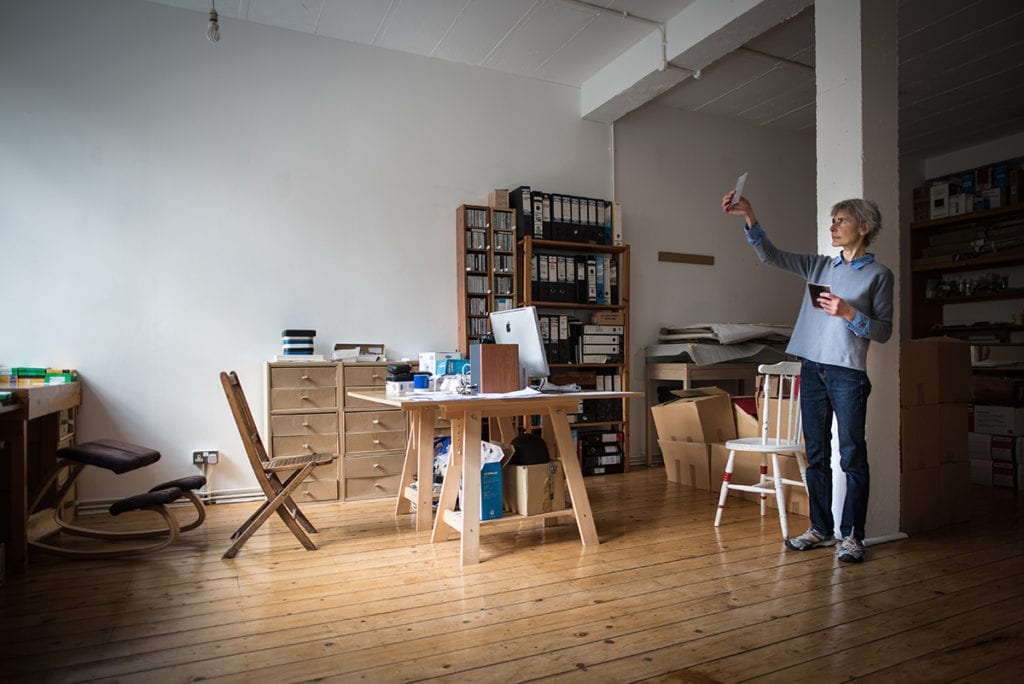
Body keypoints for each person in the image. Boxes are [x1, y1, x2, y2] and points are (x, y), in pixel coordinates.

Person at [721, 190, 893, 563]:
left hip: (847, 374)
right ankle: (821, 529)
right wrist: (750, 216)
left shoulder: (879, 275)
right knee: (816, 455)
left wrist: (849, 312)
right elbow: (771, 255)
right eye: (833, 220)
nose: (833, 226)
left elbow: (883, 331)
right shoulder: (820, 267)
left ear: (864, 228)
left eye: (841, 220)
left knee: (851, 455)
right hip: (811, 369)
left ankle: (853, 537)